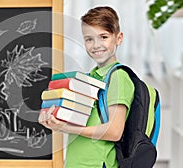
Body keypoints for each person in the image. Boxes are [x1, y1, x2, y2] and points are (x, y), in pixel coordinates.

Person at [38, 6, 135, 168]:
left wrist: (67, 128)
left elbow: (114, 131)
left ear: (118, 38)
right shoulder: (91, 78)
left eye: (103, 37)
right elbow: (81, 122)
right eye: (89, 39)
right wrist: (54, 119)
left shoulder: (118, 77)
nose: (96, 45)